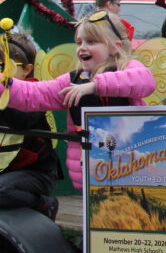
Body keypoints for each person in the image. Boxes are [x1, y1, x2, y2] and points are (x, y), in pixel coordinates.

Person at [0, 11, 155, 189]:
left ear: (115, 47)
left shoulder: (128, 67)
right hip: (92, 173)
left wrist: (95, 85)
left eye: (91, 41)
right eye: (79, 42)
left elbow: (145, 81)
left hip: (133, 168)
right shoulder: (72, 81)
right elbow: (33, 94)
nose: (82, 47)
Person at [0, 34, 60, 218]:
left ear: (27, 70)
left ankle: (42, 204)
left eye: (6, 67)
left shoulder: (34, 93)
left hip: (35, 173)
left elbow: (21, 121)